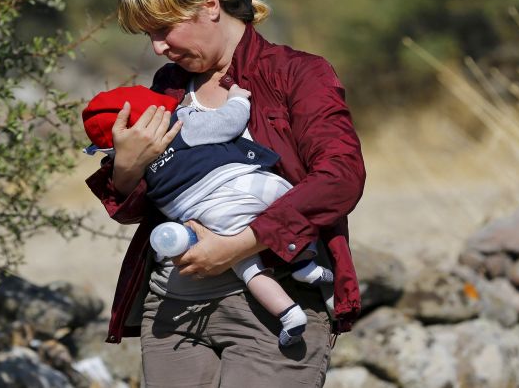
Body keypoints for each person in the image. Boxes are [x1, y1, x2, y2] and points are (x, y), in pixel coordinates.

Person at [85, 0, 365, 387]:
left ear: (210, 5)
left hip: (274, 305)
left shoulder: (297, 74)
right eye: (148, 35)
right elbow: (145, 204)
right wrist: (126, 168)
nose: (158, 47)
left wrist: (238, 247)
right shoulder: (167, 88)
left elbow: (339, 178)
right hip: (171, 310)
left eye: (163, 29)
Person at [83, 83, 335, 347]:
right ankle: (304, 263)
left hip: (208, 223)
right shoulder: (181, 123)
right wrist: (237, 98)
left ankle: (288, 314)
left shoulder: (136, 162)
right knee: (289, 199)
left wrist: (122, 165)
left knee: (246, 266)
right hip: (244, 192)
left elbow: (132, 208)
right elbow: (230, 122)